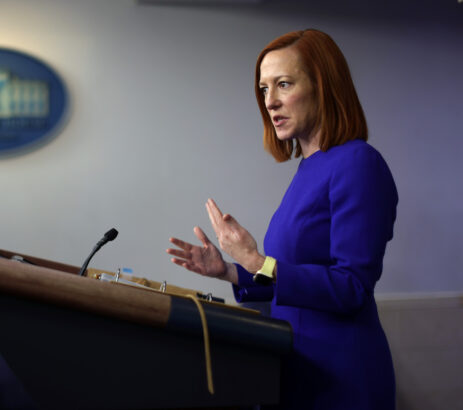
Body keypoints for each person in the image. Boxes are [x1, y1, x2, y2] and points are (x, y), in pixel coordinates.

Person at [166, 29, 397, 410]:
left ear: (324, 86)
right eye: (263, 89)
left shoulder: (358, 164)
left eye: (283, 84)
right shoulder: (309, 168)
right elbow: (291, 281)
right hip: (297, 366)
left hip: (342, 376)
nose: (270, 102)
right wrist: (229, 271)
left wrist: (256, 261)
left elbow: (352, 287)